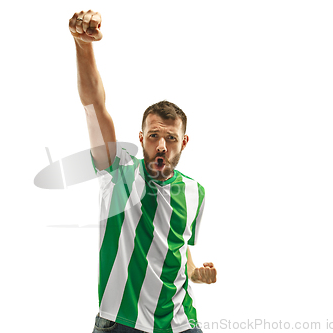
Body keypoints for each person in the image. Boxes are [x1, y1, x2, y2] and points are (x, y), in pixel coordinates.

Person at [69, 9, 217, 333]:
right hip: (122, 323)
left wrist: (196, 273)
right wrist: (83, 46)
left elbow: (180, 250)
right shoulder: (118, 172)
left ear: (184, 142)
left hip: (181, 323)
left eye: (171, 138)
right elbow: (95, 108)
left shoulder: (196, 192)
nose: (161, 146)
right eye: (153, 136)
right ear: (141, 139)